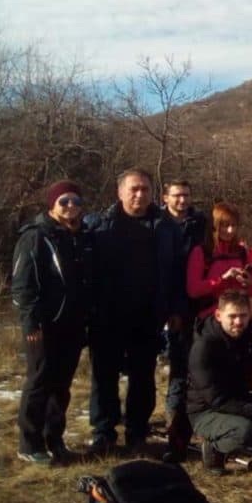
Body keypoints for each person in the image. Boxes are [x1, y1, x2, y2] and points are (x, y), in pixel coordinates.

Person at [85, 168, 183, 455]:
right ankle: (103, 432)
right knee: (103, 377)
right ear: (120, 192)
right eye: (134, 189)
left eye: (145, 189)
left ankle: (137, 431)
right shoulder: (100, 225)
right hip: (107, 315)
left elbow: (177, 271)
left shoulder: (166, 228)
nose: (140, 195)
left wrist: (175, 308)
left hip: (147, 316)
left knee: (143, 377)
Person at [11, 180, 93, 465]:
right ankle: (29, 443)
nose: (71, 207)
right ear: (52, 205)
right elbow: (22, 287)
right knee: (39, 381)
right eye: (64, 202)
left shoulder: (81, 236)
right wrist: (31, 324)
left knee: (62, 385)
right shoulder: (36, 236)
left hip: (72, 324)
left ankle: (54, 439)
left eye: (76, 202)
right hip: (44, 325)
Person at [187, 290, 252, 474]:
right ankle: (214, 449)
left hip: (240, 400)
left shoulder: (251, 332)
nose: (238, 322)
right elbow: (218, 400)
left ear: (250, 314)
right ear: (219, 315)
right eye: (232, 316)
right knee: (245, 430)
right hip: (208, 411)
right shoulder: (204, 347)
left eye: (243, 315)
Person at [160, 180, 208, 463]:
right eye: (177, 196)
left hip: (198, 305)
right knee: (178, 369)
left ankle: (198, 422)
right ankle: (172, 425)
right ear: (166, 197)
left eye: (186, 196)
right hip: (168, 303)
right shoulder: (157, 225)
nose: (182, 200)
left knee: (198, 366)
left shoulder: (199, 223)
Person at [186, 202, 252, 320]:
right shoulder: (202, 252)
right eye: (225, 225)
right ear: (215, 226)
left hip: (240, 318)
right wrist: (222, 279)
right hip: (211, 318)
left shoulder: (245, 252)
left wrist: (249, 282)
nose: (230, 230)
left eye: (234, 225)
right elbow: (193, 290)